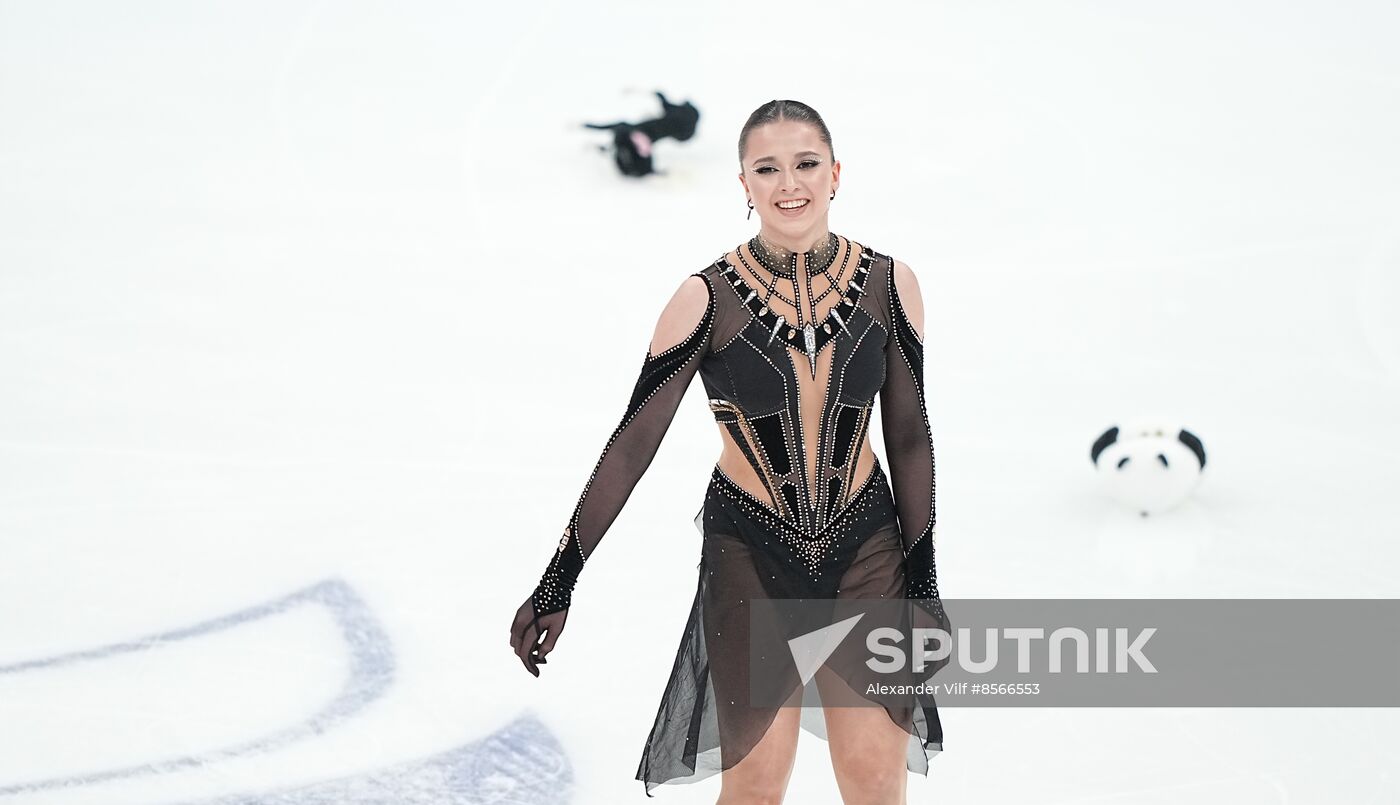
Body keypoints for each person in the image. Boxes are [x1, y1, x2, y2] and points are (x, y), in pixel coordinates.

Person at [510, 99, 949, 803]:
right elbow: (632, 445)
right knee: (755, 789)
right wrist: (561, 576)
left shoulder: (892, 286)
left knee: (875, 785)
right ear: (742, 183)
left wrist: (923, 582)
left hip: (868, 551)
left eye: (805, 163)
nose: (788, 183)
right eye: (766, 168)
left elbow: (908, 434)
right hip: (751, 553)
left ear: (835, 173)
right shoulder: (704, 299)